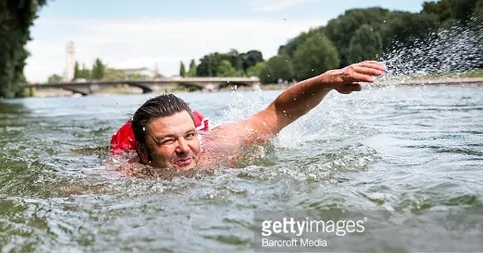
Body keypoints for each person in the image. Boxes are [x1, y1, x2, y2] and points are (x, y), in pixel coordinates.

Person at [113, 61, 385, 172]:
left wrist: (327, 80)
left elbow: (278, 112)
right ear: (145, 153)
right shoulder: (129, 173)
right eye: (168, 141)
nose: (184, 149)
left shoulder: (218, 146)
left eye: (189, 135)